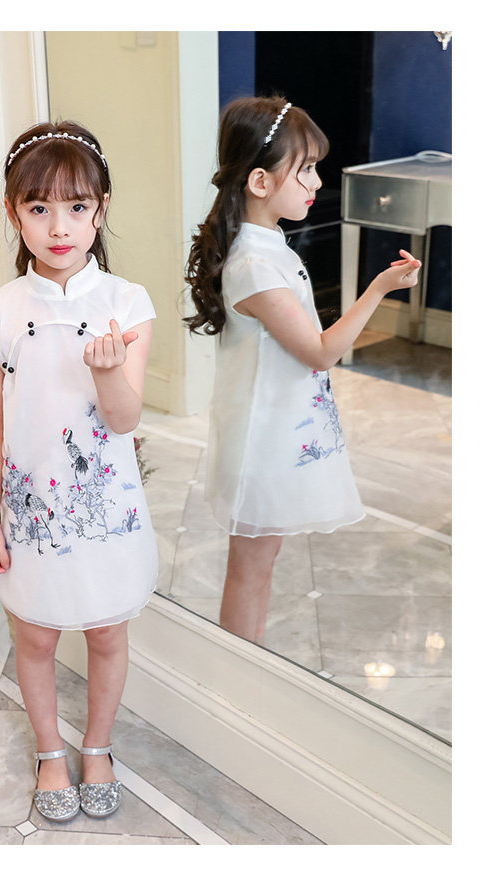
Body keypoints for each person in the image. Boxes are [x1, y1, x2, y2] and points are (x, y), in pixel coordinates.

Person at [0, 120, 157, 822]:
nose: (58, 226)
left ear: (100, 210)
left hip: (103, 508)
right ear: (13, 212)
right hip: (31, 512)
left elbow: (124, 420)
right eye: (39, 206)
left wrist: (108, 373)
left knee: (106, 632)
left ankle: (97, 746)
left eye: (77, 206)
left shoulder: (127, 303)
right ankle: (51, 751)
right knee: (37, 635)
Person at [185, 96, 421, 645]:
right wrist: (378, 290)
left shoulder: (267, 246)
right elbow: (319, 352)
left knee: (260, 564)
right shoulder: (254, 264)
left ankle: (248, 662)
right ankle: (239, 671)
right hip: (262, 443)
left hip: (278, 432)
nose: (317, 182)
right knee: (251, 569)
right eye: (306, 169)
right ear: (260, 181)